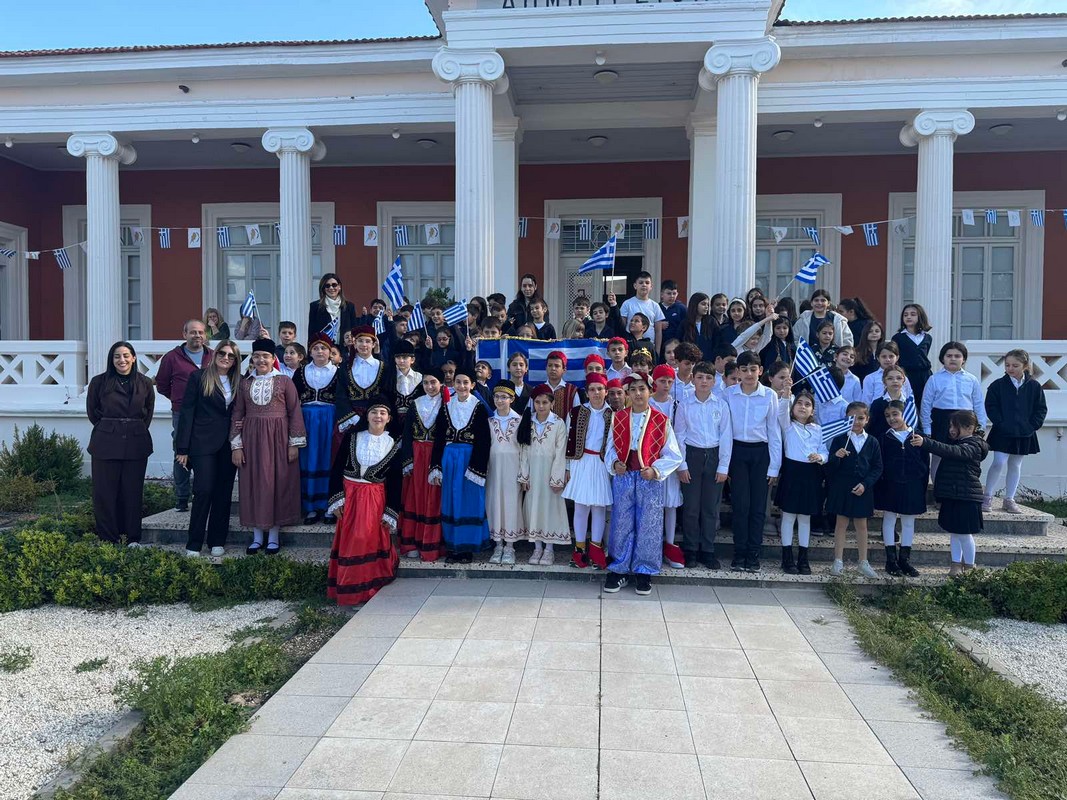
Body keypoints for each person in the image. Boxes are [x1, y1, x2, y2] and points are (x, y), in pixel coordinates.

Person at [602, 373, 683, 595]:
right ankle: (618, 568)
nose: (638, 394)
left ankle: (644, 570)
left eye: (642, 389)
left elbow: (674, 454)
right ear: (628, 393)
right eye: (633, 389)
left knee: (649, 524)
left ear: (650, 391)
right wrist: (615, 463)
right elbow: (610, 448)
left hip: (649, 478)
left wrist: (656, 470)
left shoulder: (661, 420)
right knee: (621, 522)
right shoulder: (619, 418)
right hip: (624, 476)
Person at [230, 339, 306, 555]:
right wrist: (236, 446)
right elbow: (237, 413)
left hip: (278, 440)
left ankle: (273, 537)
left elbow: (295, 411)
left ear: (273, 359)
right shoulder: (245, 384)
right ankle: (256, 537)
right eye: (257, 356)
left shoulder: (284, 381)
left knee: (276, 483)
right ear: (252, 359)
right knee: (253, 483)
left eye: (265, 356)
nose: (261, 360)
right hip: (252, 441)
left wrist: (294, 443)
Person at [326, 397, 402, 604]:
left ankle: (365, 587)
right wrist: (336, 499)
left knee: (366, 540)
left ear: (389, 418)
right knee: (350, 542)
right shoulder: (352, 438)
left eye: (382, 413)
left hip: (374, 499)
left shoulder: (392, 445)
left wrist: (391, 511)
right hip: (350, 497)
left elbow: (396, 481)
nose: (378, 416)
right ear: (366, 416)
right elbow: (336, 469)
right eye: (374, 412)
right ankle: (348, 589)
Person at [176, 340, 242, 557]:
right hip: (202, 442)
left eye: (231, 356)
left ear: (236, 361)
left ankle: (217, 540)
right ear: (215, 355)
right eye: (222, 353)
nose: (226, 358)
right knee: (203, 490)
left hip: (228, 444)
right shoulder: (199, 377)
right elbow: (187, 412)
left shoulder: (240, 381)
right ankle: (194, 543)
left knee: (223, 492)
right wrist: (182, 448)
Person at [86, 341, 155, 545]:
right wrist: (111, 427)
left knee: (132, 492)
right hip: (105, 443)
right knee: (105, 493)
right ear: (111, 359)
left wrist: (132, 428)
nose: (121, 360)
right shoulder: (99, 382)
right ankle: (108, 538)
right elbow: (93, 412)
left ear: (133, 358)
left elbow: (147, 413)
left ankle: (131, 537)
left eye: (126, 355)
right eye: (117, 356)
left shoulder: (145, 383)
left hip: (136, 443)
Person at [723, 351, 782, 573]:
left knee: (758, 507)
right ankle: (739, 554)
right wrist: (725, 462)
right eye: (744, 369)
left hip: (761, 453)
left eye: (753, 369)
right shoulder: (729, 394)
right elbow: (725, 430)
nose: (749, 374)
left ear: (761, 371)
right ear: (738, 371)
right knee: (741, 505)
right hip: (737, 452)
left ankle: (753, 554)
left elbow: (774, 431)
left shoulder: (769, 395)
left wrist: (774, 466)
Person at [912, 411, 989, 575]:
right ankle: (955, 565)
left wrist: (926, 442)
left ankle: (970, 568)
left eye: (955, 426)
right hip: (954, 494)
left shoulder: (974, 445)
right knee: (954, 532)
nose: (951, 430)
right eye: (951, 426)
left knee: (965, 534)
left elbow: (952, 451)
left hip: (966, 496)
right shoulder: (960, 442)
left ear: (969, 428)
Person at [430, 366, 491, 563]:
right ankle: (452, 547)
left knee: (469, 502)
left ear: (472, 385)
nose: (462, 386)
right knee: (451, 500)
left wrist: (477, 469)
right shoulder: (446, 406)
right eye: (458, 382)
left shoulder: (479, 408)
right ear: (453, 384)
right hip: (449, 459)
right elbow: (439, 438)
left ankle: (467, 548)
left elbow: (484, 441)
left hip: (470, 460)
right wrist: (436, 466)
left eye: (466, 382)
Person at [674, 361, 732, 570]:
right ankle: (690, 549)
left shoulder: (721, 405)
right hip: (692, 455)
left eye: (708, 378)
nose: (704, 381)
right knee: (691, 507)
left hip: (714, 456)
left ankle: (707, 550)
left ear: (714, 381)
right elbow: (679, 435)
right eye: (700, 377)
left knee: (709, 507)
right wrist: (682, 465)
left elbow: (726, 436)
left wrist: (723, 466)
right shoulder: (685, 405)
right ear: (693, 379)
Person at [156, 319, 213, 512]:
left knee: (206, 453)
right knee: (181, 453)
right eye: (193, 332)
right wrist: (179, 399)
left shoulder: (213, 356)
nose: (197, 336)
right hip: (181, 413)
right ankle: (182, 498)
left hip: (208, 413)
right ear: (184, 334)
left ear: (205, 335)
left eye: (200, 332)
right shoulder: (172, 358)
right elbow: (162, 384)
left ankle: (203, 495)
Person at [983, 348, 1048, 514]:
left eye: (1015, 365)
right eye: (1007, 365)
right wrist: (1001, 423)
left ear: (1025, 366)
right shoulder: (997, 385)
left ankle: (1009, 499)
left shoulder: (1034, 386)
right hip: (1002, 431)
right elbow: (991, 406)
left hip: (1024, 432)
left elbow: (1041, 409)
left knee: (1016, 464)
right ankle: (987, 496)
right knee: (998, 462)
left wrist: (1031, 426)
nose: (1010, 368)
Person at [826, 401, 882, 577]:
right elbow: (830, 468)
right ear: (846, 419)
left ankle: (863, 562)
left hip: (862, 488)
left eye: (860, 418)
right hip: (842, 487)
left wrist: (866, 484)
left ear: (867, 419)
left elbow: (877, 467)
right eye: (852, 418)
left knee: (861, 525)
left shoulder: (872, 441)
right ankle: (838, 561)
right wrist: (836, 456)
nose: (856, 422)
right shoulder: (839, 440)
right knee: (841, 523)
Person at [563, 372, 613, 569]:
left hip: (601, 463)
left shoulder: (613, 415)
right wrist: (567, 467)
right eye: (592, 389)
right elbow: (568, 440)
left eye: (600, 389)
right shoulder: (576, 412)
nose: (596, 393)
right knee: (581, 507)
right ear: (587, 392)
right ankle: (579, 549)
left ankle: (596, 548)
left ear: (606, 391)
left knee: (599, 507)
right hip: (581, 462)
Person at [875, 399, 928, 577]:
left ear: (905, 414)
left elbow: (924, 463)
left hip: (912, 484)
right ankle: (890, 560)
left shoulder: (917, 437)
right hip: (890, 484)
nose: (891, 418)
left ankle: (904, 560)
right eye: (887, 416)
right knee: (889, 519)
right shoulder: (884, 438)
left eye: (895, 414)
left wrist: (921, 483)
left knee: (908, 521)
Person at [518, 385, 570, 565]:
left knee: (550, 509)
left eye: (545, 402)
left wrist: (557, 478)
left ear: (552, 403)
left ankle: (549, 549)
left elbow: (560, 452)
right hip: (533, 473)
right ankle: (537, 547)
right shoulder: (527, 421)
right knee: (534, 509)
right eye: (537, 402)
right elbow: (523, 451)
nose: (541, 406)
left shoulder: (558, 423)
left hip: (550, 474)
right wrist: (524, 476)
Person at [920, 341, 987, 480]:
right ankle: (938, 488)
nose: (953, 359)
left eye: (957, 356)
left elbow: (978, 404)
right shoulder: (934, 379)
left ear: (964, 359)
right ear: (942, 358)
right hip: (941, 419)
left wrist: (981, 426)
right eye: (949, 355)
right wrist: (927, 428)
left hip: (966, 421)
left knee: (964, 455)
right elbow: (926, 405)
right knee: (938, 455)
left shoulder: (971, 379)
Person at [775, 390, 825, 575]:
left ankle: (803, 558)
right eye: (799, 403)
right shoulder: (788, 425)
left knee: (805, 518)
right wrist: (786, 395)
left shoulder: (818, 429)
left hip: (811, 474)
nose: (803, 407)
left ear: (813, 410)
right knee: (788, 517)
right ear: (793, 407)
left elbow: (824, 450)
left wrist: (820, 456)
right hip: (792, 473)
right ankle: (787, 558)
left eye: (807, 404)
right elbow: (781, 412)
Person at [399, 369, 446, 561]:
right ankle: (414, 542)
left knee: (434, 498)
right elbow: (407, 433)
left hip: (436, 454)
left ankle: (432, 544)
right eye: (426, 383)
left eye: (433, 382)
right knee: (416, 496)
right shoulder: (416, 403)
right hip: (417, 455)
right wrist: (407, 459)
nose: (429, 386)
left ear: (441, 384)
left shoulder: (448, 404)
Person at [292, 334, 339, 525]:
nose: (320, 351)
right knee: (309, 459)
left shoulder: (338, 372)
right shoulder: (301, 372)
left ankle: (329, 506)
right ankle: (310, 506)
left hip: (330, 419)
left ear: (330, 351)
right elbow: (292, 399)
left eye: (324, 348)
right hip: (306, 419)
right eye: (316, 348)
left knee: (328, 458)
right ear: (310, 352)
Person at [648, 365, 685, 568]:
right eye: (662, 381)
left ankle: (670, 545)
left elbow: (679, 435)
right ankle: (652, 545)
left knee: (670, 504)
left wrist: (679, 463)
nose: (666, 385)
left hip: (670, 461)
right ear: (654, 381)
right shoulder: (648, 403)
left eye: (670, 381)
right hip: (649, 461)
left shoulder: (676, 405)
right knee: (652, 505)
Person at [486, 379, 525, 564]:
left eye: (504, 397)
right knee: (494, 504)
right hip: (494, 469)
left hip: (513, 470)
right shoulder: (489, 420)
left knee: (511, 505)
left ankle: (510, 547)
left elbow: (525, 450)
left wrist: (524, 474)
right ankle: (498, 545)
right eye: (497, 396)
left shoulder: (520, 421)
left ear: (512, 398)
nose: (499, 400)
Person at [892, 303, 933, 409]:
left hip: (924, 375)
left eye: (913, 314)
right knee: (908, 404)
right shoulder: (898, 337)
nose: (909, 317)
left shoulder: (927, 337)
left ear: (920, 316)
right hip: (907, 375)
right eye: (905, 315)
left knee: (925, 403)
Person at [619, 271, 667, 353]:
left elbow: (658, 331)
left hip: (649, 347)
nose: (644, 285)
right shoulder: (627, 304)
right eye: (641, 283)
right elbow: (622, 326)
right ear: (635, 286)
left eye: (647, 283)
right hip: (630, 346)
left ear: (651, 286)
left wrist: (657, 351)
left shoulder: (655, 306)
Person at [308, 272, 358, 343]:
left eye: (334, 285)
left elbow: (354, 330)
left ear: (339, 287)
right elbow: (312, 333)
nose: (331, 288)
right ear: (323, 288)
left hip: (344, 346)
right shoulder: (315, 306)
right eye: (327, 286)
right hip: (324, 346)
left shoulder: (349, 306)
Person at [861, 342, 914, 407]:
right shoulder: (870, 378)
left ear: (897, 357)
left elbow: (909, 398)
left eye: (891, 356)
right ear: (878, 358)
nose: (888, 359)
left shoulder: (903, 378)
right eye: (884, 357)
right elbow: (866, 402)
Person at [681, 292, 717, 361]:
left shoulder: (711, 322)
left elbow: (717, 342)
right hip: (690, 361)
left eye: (708, 305)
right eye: (703, 304)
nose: (706, 307)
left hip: (708, 362)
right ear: (695, 305)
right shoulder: (685, 323)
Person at [544, 351, 580, 419]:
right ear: (546, 368)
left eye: (557, 366)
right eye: (550, 365)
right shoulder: (538, 390)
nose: (553, 369)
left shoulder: (572, 391)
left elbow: (577, 415)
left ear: (564, 370)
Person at [659, 279, 687, 359]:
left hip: (677, 346)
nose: (671, 296)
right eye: (668, 293)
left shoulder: (682, 309)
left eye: (674, 293)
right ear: (662, 294)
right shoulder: (656, 308)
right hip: (661, 346)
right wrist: (658, 325)